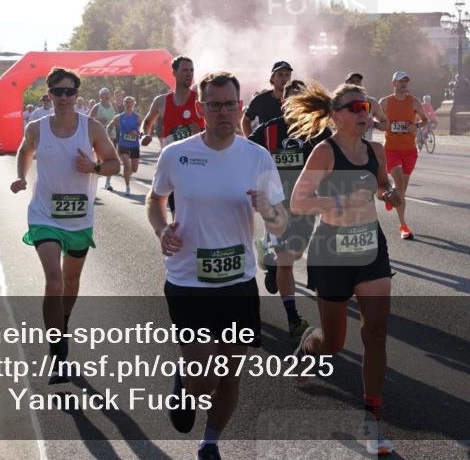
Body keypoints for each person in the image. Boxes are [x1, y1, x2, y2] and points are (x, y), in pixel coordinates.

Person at [147, 71, 288, 460]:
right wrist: (162, 231)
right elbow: (155, 201)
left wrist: (269, 210)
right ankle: (186, 383)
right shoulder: (176, 154)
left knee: (228, 374)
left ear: (239, 107)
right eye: (215, 105)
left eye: (230, 104)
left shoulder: (257, 157)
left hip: (237, 282)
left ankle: (210, 442)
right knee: (203, 375)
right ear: (200, 108)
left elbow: (281, 222)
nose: (224, 112)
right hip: (188, 280)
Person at [288, 81, 403, 457]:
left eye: (365, 106)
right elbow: (299, 202)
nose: (362, 113)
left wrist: (390, 194)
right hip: (332, 251)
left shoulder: (376, 150)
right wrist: (333, 200)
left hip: (370, 247)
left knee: (375, 331)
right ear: (336, 115)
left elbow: (382, 186)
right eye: (353, 107)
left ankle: (372, 421)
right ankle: (310, 348)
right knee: (334, 344)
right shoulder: (325, 152)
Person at [10, 67, 120, 384]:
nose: (64, 98)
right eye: (57, 92)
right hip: (44, 216)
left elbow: (114, 162)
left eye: (69, 91)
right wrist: (20, 175)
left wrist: (94, 167)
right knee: (55, 283)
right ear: (50, 95)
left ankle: (64, 323)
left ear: (77, 94)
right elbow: (24, 150)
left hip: (79, 220)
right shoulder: (37, 128)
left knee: (71, 283)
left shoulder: (92, 128)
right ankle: (57, 352)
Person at [248, 79, 325, 338]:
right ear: (284, 103)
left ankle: (268, 260)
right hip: (276, 205)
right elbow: (245, 151)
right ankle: (293, 318)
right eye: (291, 98)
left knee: (291, 256)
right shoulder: (268, 131)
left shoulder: (315, 132)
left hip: (305, 205)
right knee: (286, 263)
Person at [142, 56, 206, 216]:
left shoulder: (200, 100)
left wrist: (200, 131)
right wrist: (145, 134)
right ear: (174, 73)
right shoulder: (162, 102)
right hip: (173, 165)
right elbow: (147, 121)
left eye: (191, 70)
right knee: (177, 215)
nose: (189, 74)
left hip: (198, 164)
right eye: (185, 70)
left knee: (198, 214)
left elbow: (215, 130)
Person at [379, 71, 428, 241]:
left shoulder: (414, 102)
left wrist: (417, 127)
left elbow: (425, 120)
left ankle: (392, 197)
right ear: (394, 84)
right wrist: (383, 125)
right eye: (400, 82)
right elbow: (377, 120)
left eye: (406, 82)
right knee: (399, 184)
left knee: (402, 192)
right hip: (391, 149)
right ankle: (403, 226)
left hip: (409, 150)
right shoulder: (385, 102)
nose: (404, 85)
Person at [242, 61, 292, 136]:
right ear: (272, 78)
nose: (284, 78)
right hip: (267, 145)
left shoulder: (296, 101)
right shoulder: (260, 100)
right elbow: (245, 120)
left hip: (289, 146)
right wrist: (252, 142)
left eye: (287, 75)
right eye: (280, 74)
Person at [108, 96, 141, 196]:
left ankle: (126, 174)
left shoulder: (138, 117)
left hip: (135, 145)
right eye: (126, 102)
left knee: (134, 169)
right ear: (123, 104)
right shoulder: (119, 117)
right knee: (127, 165)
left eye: (130, 102)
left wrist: (138, 133)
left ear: (134, 104)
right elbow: (109, 127)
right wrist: (108, 139)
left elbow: (142, 132)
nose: (128, 104)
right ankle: (127, 187)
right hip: (123, 144)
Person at [344, 72, 389, 141]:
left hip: (364, 148)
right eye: (352, 81)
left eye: (358, 81)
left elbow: (386, 125)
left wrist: (374, 124)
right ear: (346, 84)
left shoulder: (371, 102)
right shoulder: (340, 102)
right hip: (344, 148)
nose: (355, 84)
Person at [90, 88, 120, 191]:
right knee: (98, 160)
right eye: (104, 94)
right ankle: (94, 181)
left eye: (108, 94)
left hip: (111, 135)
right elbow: (89, 120)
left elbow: (117, 118)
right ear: (100, 96)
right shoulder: (97, 107)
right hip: (99, 136)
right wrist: (99, 120)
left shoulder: (113, 106)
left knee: (111, 160)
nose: (107, 95)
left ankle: (108, 183)